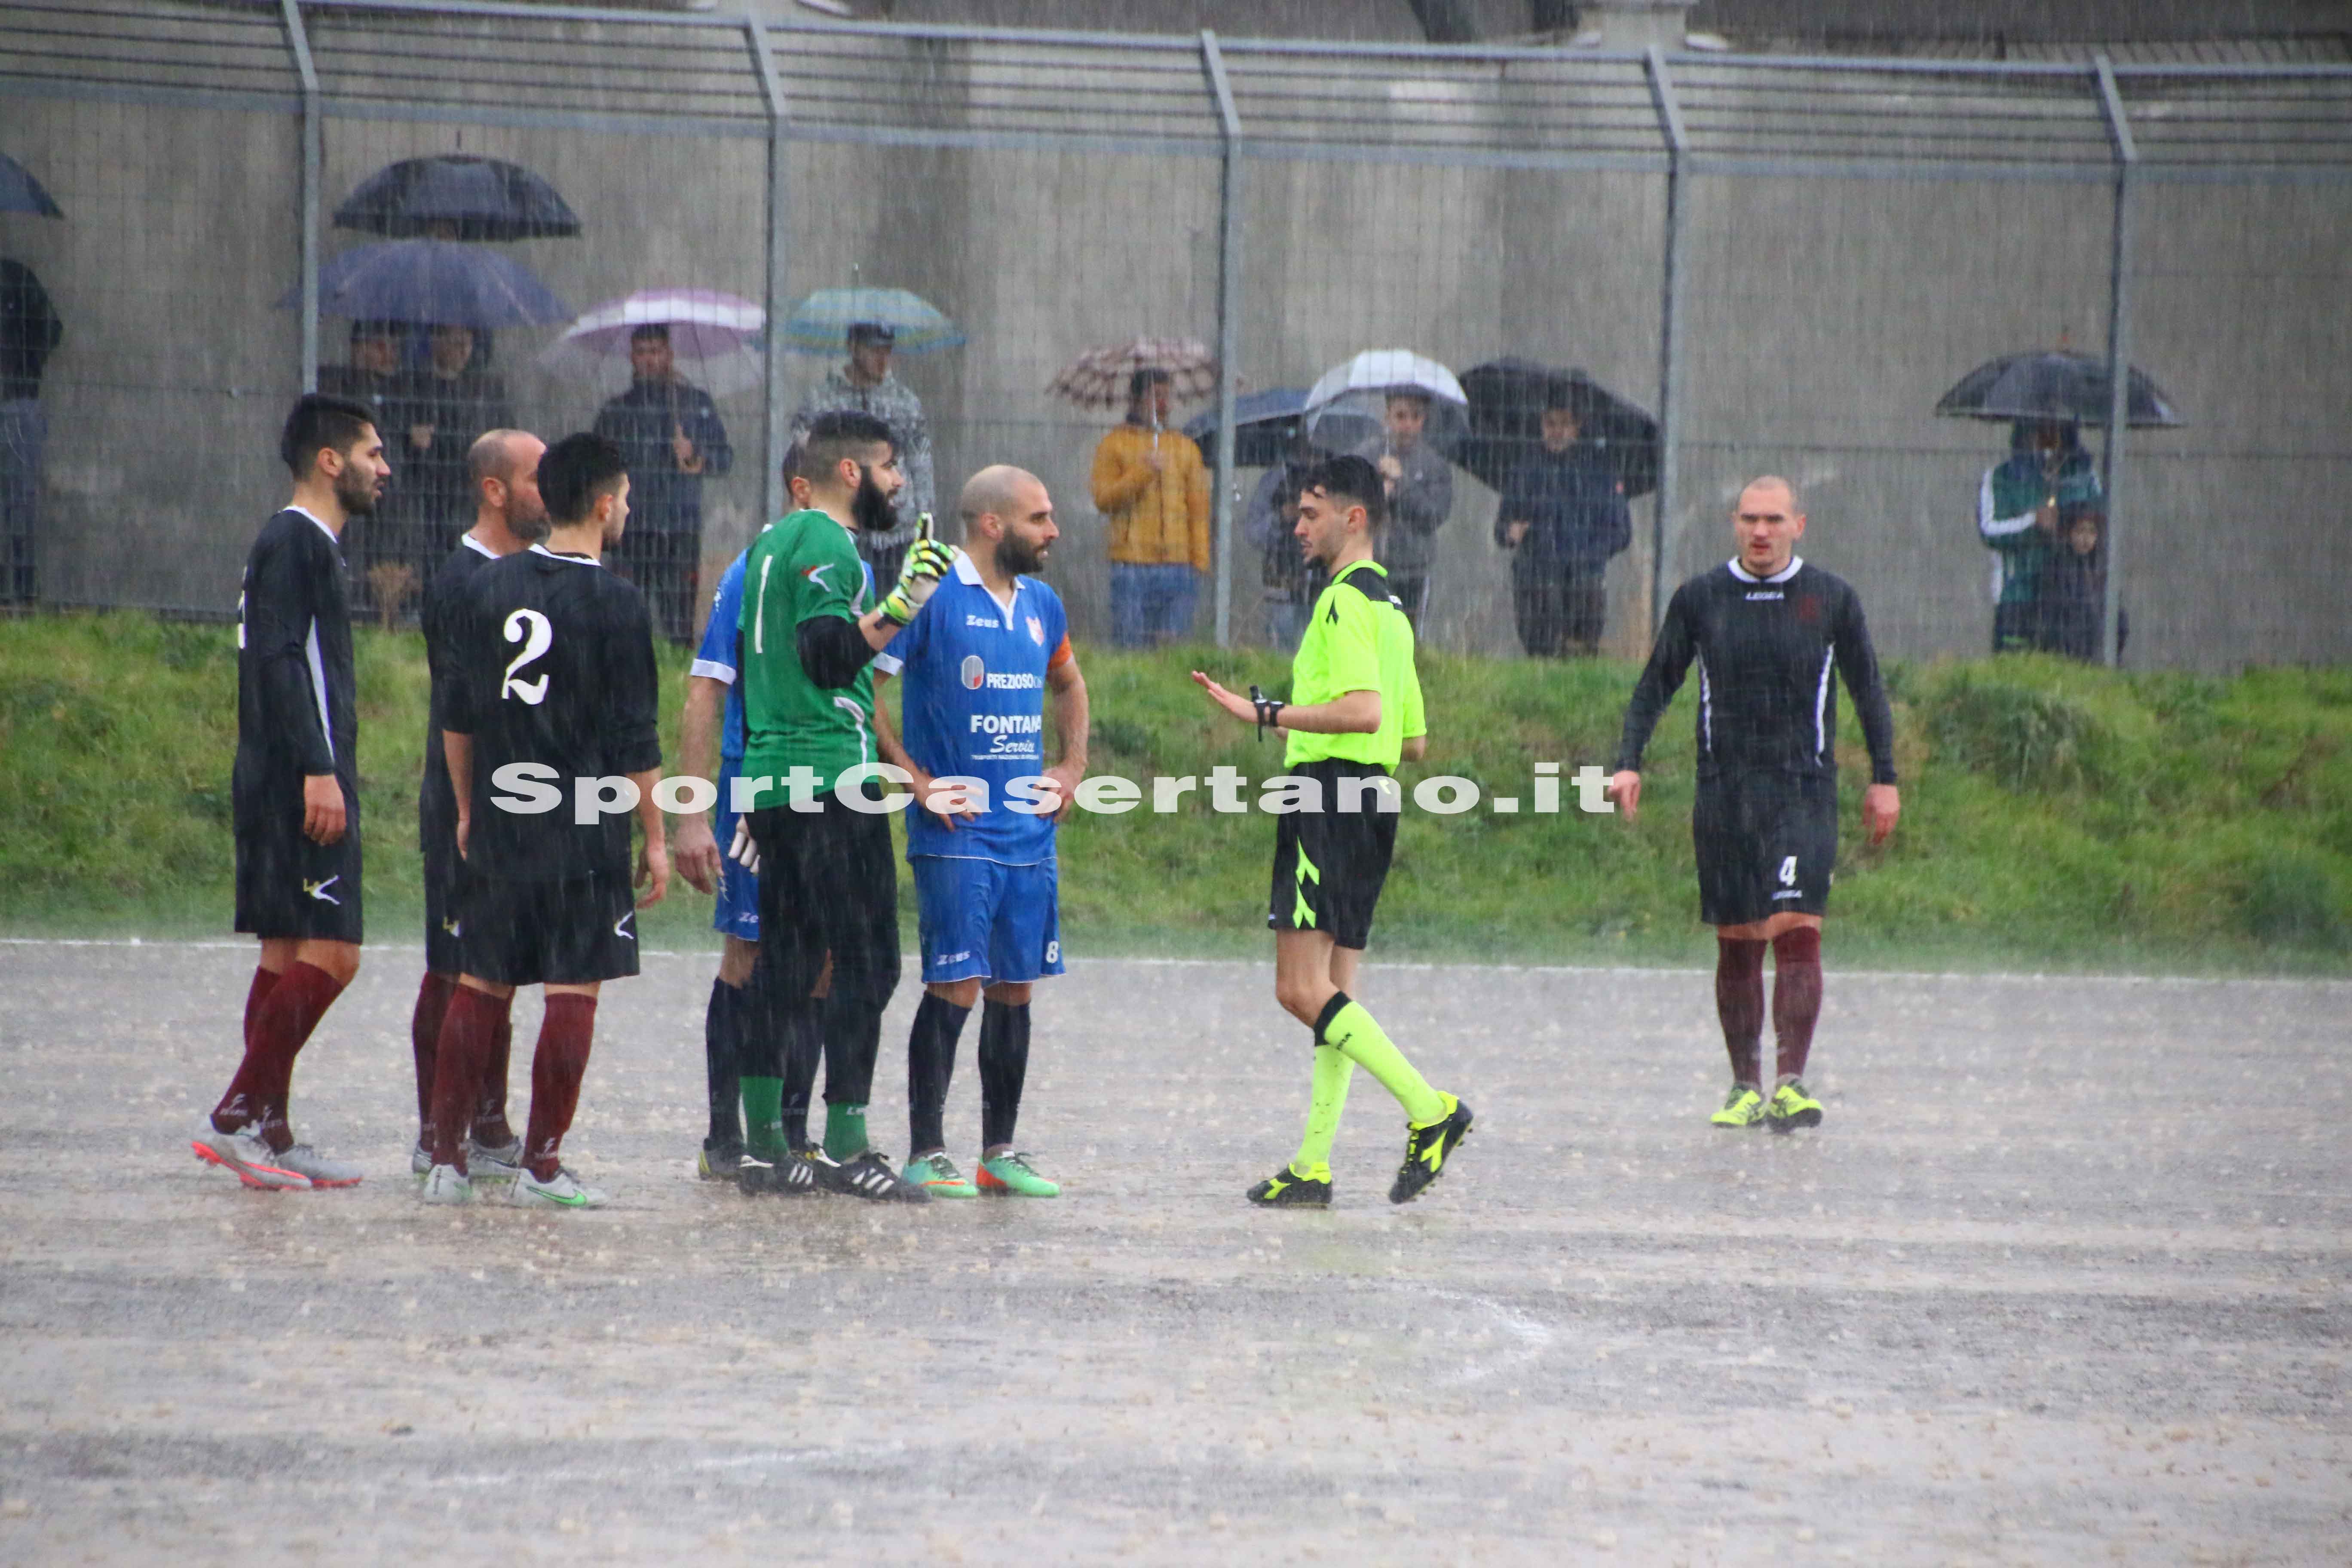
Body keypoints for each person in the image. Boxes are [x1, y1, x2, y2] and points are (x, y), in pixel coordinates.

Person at [1191, 454, 1474, 1209]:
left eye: (1310, 512)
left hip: (1325, 795)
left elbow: (1362, 712)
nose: (1297, 525)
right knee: (1335, 994)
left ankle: (1431, 1108)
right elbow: (1411, 740)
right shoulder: (1393, 608)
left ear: (1355, 518)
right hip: (1373, 800)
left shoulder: (1344, 602)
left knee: (1297, 988)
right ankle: (1313, 1165)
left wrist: (1269, 714)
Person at [1606, 476, 1900, 1134]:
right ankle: (1745, 1085)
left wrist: (1886, 776)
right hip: (1726, 794)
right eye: (1749, 519)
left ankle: (1792, 1082)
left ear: (1800, 524)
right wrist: (1628, 761)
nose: (1760, 531)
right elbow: (1656, 683)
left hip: (1802, 791)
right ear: (1734, 524)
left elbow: (1868, 690)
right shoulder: (1702, 599)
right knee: (1738, 942)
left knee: (1797, 929)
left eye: (1773, 519)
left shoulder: (1830, 599)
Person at [424, 432, 669, 1208]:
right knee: (572, 990)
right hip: (582, 826)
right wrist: (656, 836)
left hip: (501, 816)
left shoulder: (487, 589)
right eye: (625, 497)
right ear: (602, 504)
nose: (628, 508)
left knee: (481, 982)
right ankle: (542, 1165)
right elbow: (637, 740)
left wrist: (468, 806)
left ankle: (446, 1160)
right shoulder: (621, 604)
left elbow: (455, 718)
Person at [735, 410, 958, 1202]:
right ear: (852, 472)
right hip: (829, 777)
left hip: (771, 776)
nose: (900, 482)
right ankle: (846, 1145)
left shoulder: (766, 545)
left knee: (787, 962)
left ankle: (764, 1147)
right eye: (892, 467)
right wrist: (907, 599)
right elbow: (827, 658)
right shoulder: (828, 542)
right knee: (869, 962)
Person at [191, 393, 391, 1190]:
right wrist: (320, 767)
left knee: (285, 951)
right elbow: (278, 659)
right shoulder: (298, 542)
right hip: (295, 778)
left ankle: (270, 1131)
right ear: (329, 461)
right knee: (335, 953)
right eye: (373, 452)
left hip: (280, 772)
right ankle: (235, 1116)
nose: (386, 467)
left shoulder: (301, 545)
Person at [873, 464, 1089, 1199]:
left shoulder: (1042, 604)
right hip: (957, 830)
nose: (1053, 530)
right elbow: (861, 686)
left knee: (1015, 988)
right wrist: (913, 777)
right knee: (956, 983)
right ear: (993, 525)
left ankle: (999, 1151)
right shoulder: (932, 599)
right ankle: (926, 1149)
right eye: (1039, 517)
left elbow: (1069, 683)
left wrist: (1072, 764)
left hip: (1027, 834)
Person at [671, 438, 826, 1191]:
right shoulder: (751, 572)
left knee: (821, 958)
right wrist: (693, 811)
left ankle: (794, 1130)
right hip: (753, 786)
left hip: (824, 792)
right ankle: (724, 1134)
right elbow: (706, 687)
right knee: (751, 952)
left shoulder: (845, 575)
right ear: (804, 488)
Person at [404, 429, 548, 1183]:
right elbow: (466, 705)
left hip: (523, 800)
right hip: (466, 800)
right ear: (494, 489)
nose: (548, 491)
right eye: (534, 477)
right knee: (454, 963)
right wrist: (469, 801)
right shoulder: (462, 582)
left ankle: (489, 1121)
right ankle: (438, 1128)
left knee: (498, 965)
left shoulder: (534, 574)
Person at [593, 323, 733, 646]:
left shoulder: (693, 404)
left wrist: (696, 455)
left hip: (679, 527)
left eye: (656, 352)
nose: (649, 360)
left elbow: (725, 457)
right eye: (642, 352)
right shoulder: (617, 411)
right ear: (632, 357)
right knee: (625, 619)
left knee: (678, 621)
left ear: (669, 355)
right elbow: (598, 465)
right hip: (630, 529)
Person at [790, 322, 934, 591]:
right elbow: (800, 460)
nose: (882, 359)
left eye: (888, 351)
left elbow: (922, 463)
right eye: (874, 350)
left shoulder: (905, 403)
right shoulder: (822, 401)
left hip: (895, 529)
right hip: (840, 523)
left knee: (895, 611)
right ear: (853, 348)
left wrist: (924, 522)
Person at [1495, 390, 1632, 657]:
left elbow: (1621, 531)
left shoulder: (1598, 471)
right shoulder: (1526, 469)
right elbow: (1501, 528)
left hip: (1583, 581)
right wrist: (1511, 533)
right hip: (1536, 577)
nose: (1557, 432)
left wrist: (1588, 555)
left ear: (1577, 426)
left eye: (1564, 424)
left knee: (1579, 652)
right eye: (1550, 424)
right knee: (1541, 653)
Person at [1093, 367, 1210, 647]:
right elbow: (1105, 500)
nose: (1164, 405)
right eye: (1156, 396)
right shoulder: (1113, 445)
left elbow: (1198, 510)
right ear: (1135, 400)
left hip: (1179, 566)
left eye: (1167, 397)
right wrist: (1142, 473)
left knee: (1173, 648)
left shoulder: (1184, 448)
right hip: (1131, 565)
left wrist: (1200, 560)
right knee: (1131, 647)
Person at [389, 322, 515, 577]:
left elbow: (506, 433)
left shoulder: (484, 390)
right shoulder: (415, 386)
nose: (462, 351)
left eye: (467, 344)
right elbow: (398, 435)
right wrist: (413, 440)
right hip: (429, 493)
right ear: (436, 342)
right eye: (456, 343)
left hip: (471, 492)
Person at [1978, 419, 2100, 654]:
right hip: (2018, 598)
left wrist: (2071, 530)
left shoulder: (2085, 477)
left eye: (2056, 427)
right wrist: (2033, 523)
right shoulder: (2001, 477)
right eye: (2040, 427)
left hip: (2072, 599)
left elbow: (2101, 528)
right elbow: (1990, 530)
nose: (2049, 435)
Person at [1353, 390, 1452, 631]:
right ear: (1387, 417)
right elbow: (1348, 507)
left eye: (1415, 417)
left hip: (1414, 569)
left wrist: (1402, 485)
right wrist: (1377, 494)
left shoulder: (1434, 465)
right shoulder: (1365, 456)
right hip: (1370, 566)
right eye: (1400, 416)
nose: (1407, 425)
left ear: (1424, 420)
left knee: (1408, 639)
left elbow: (1434, 515)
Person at [0, 257, 62, 603]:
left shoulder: (16, 278)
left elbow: (52, 329)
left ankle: (21, 594)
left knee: (20, 503)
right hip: (19, 401)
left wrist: (22, 363)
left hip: (18, 403)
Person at [1246, 428, 1325, 654]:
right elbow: (1254, 532)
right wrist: (1282, 518)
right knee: (1283, 650)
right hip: (1282, 584)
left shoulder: (1331, 481)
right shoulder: (1275, 480)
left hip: (1321, 585)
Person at [2031, 504, 2126, 663]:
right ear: (2070, 533)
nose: (2086, 539)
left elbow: (2118, 616)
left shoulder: (2103, 569)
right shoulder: (2057, 567)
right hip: (2069, 655)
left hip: (2097, 654)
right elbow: (2054, 617)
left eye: (2091, 533)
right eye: (2080, 531)